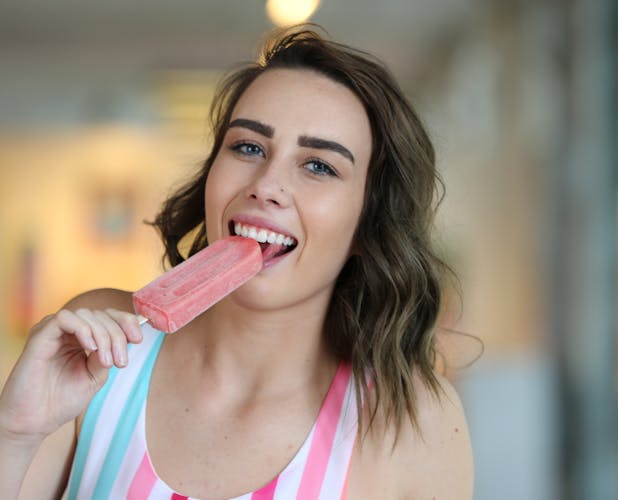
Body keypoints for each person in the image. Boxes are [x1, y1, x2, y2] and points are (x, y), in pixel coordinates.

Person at [0, 26, 473, 499]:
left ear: (368, 226)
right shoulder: (103, 356)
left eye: (319, 166)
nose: (266, 184)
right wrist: (15, 433)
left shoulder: (413, 422)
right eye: (248, 147)